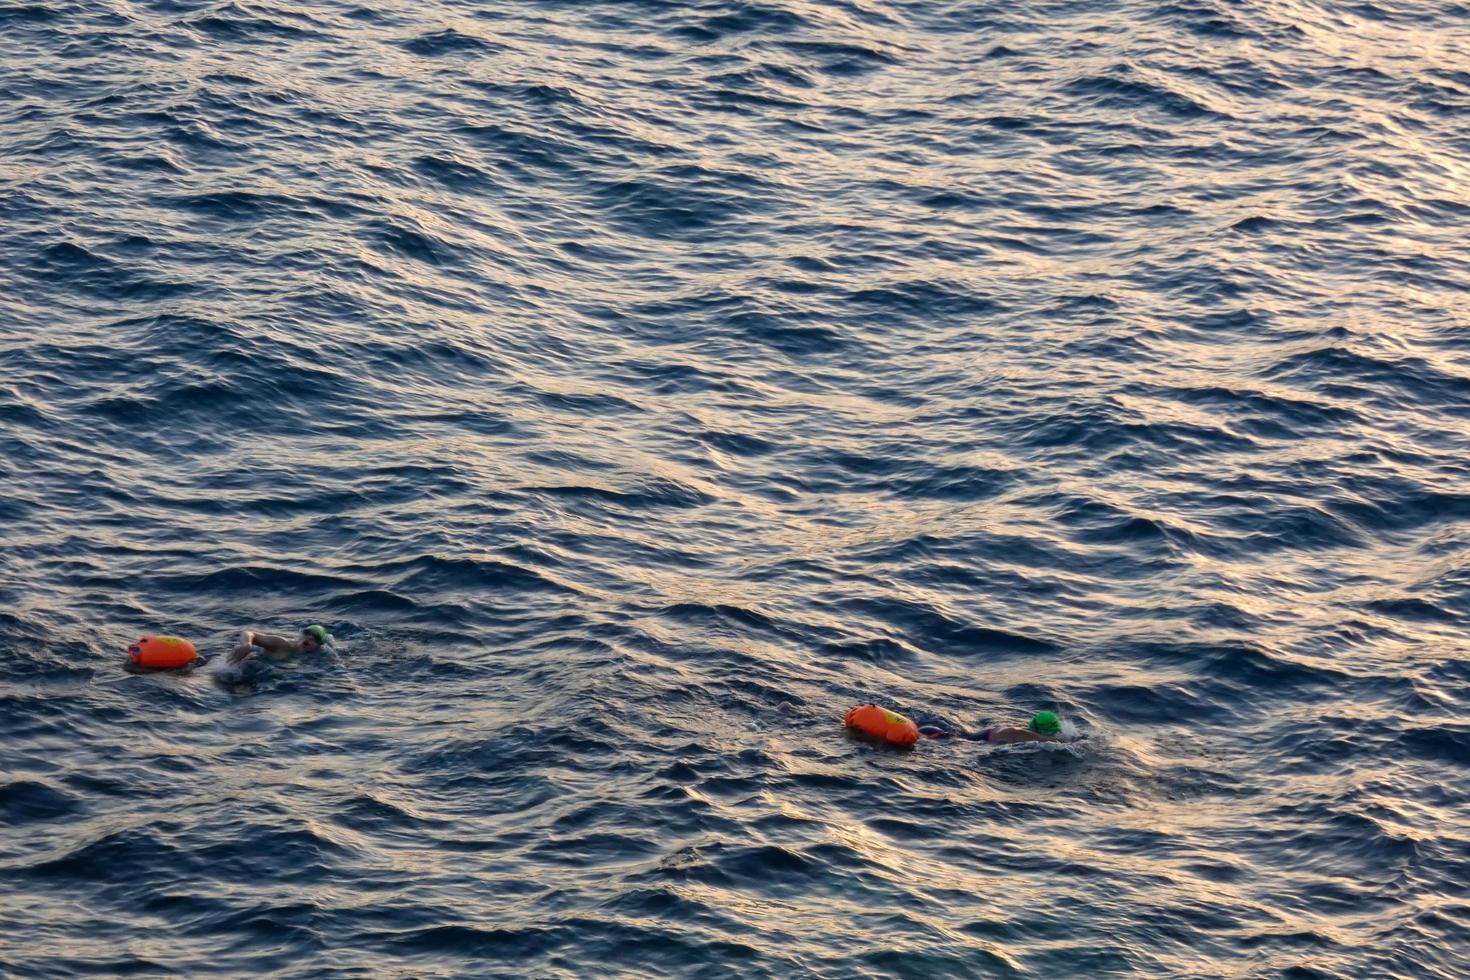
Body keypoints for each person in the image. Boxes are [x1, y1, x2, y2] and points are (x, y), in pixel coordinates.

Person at [918, 710, 1066, 745]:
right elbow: (1040, 739)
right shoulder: (1014, 732)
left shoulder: (1015, 730)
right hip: (945, 738)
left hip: (951, 733)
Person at [227, 625, 331, 665]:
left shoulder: (314, 659)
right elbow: (249, 633)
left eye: (316, 637)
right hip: (233, 670)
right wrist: (247, 644)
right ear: (300, 635)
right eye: (308, 633)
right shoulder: (282, 644)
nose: (310, 637)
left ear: (318, 647)